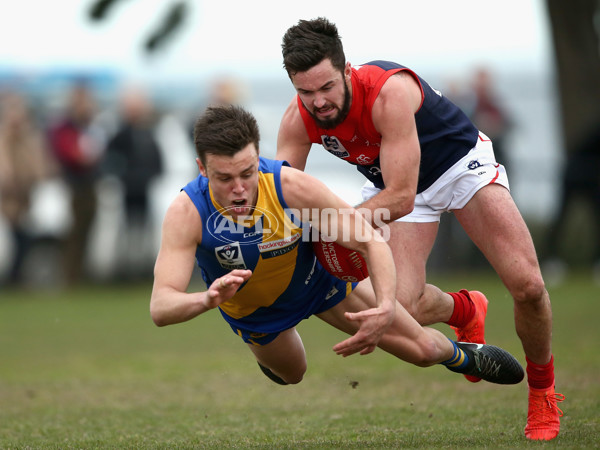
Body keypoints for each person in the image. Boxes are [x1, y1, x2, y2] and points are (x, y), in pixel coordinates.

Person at [276, 18, 563, 441]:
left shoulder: (388, 93)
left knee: (528, 286)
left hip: (458, 169)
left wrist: (332, 227)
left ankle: (543, 391)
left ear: (346, 69)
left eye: (327, 87)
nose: (318, 102)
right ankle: (464, 309)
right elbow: (284, 196)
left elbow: (401, 198)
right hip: (393, 185)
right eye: (306, 92)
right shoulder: (298, 120)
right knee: (397, 309)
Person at [150, 105, 524, 394]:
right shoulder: (187, 213)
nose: (240, 189)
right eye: (224, 178)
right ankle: (272, 355)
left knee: (424, 351)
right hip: (255, 316)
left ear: (257, 158)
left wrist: (385, 306)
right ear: (202, 169)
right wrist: (208, 299)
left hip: (320, 282)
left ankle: (465, 356)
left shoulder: (288, 186)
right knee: (293, 374)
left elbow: (369, 240)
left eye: (247, 173)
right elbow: (161, 307)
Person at [47, 82, 107, 285]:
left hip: (89, 184)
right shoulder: (65, 127)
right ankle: (70, 276)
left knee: (87, 230)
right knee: (74, 231)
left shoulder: (90, 125)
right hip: (74, 185)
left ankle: (81, 273)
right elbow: (72, 154)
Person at [103, 87, 163, 280]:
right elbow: (110, 160)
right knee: (126, 232)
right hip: (126, 192)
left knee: (144, 231)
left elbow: (158, 162)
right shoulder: (121, 134)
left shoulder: (148, 134)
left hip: (144, 191)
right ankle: (124, 271)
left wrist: (149, 176)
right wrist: (123, 177)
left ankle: (142, 269)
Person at [0, 92, 56, 285]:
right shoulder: (4, 140)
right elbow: (5, 173)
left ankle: (15, 278)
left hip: (25, 198)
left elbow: (40, 168)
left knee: (22, 240)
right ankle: (13, 277)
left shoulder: (30, 140)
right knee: (16, 239)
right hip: (8, 200)